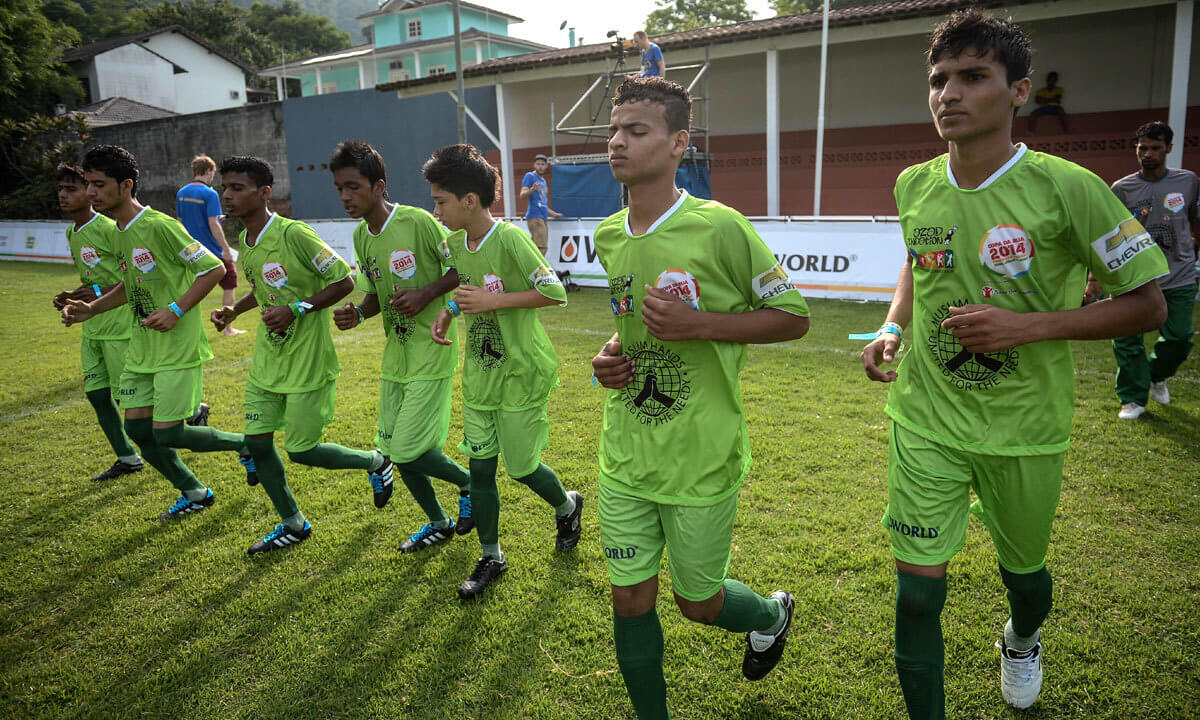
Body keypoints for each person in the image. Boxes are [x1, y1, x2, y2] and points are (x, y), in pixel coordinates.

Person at [859, 10, 1169, 718]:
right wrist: (890, 326)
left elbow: (1147, 304)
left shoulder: (1070, 187)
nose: (949, 94)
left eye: (973, 77)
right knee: (916, 592)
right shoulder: (914, 184)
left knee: (1024, 578)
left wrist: (1027, 326)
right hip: (927, 416)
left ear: (1018, 91)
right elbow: (918, 260)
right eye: (938, 80)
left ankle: (1023, 637)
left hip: (1025, 427)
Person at [590, 77, 810, 720]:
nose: (618, 142)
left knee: (698, 604)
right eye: (614, 130)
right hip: (626, 451)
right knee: (629, 600)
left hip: (700, 454)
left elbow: (792, 316)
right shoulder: (609, 235)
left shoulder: (721, 228)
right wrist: (608, 353)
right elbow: (629, 315)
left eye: (637, 131)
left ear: (678, 143)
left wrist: (700, 325)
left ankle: (770, 614)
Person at [210, 155, 394, 555]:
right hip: (267, 362)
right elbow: (262, 289)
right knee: (258, 445)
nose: (227, 195)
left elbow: (344, 281)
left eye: (237, 188)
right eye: (224, 188)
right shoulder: (247, 240)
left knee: (303, 451)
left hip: (308, 361)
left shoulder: (295, 235)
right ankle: (292, 523)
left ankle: (376, 463)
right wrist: (234, 311)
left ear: (263, 193)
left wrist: (296, 309)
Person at [423, 143, 582, 600]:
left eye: (440, 200)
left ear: (469, 200)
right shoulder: (455, 243)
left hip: (521, 372)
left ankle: (567, 504)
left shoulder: (511, 239)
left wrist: (495, 302)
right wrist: (450, 310)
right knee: (480, 472)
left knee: (522, 467)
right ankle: (491, 554)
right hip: (480, 373)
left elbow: (555, 292)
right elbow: (469, 287)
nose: (436, 209)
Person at [62, 145, 254, 521]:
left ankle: (248, 445)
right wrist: (92, 307)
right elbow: (129, 283)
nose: (90, 193)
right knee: (137, 427)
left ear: (126, 185)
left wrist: (176, 309)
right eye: (88, 184)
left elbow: (213, 269)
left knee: (168, 432)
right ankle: (194, 491)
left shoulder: (158, 225)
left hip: (177, 345)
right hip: (142, 346)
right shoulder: (117, 231)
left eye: (98, 185)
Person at [328, 140, 475, 552]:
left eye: (353, 187)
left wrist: (425, 294)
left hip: (433, 346)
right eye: (340, 187)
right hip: (397, 356)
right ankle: (438, 521)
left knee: (408, 451)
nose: (345, 197)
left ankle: (469, 485)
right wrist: (357, 314)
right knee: (396, 448)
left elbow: (460, 267)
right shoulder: (361, 237)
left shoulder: (418, 222)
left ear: (378, 186)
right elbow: (374, 295)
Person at [1099, 121, 1200, 419]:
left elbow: (1194, 220)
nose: (1148, 154)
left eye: (1155, 148)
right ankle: (1132, 399)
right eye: (1142, 148)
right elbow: (1109, 231)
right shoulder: (1121, 188)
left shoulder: (1188, 181)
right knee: (1127, 338)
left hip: (1179, 273)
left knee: (1180, 337)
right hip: (1135, 276)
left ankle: (1156, 375)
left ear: (1168, 149)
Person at [52, 163, 144, 482]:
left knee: (128, 399)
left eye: (71, 189)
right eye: (61, 189)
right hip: (92, 326)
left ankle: (187, 419)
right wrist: (71, 295)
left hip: (118, 323)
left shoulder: (109, 228)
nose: (64, 195)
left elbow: (130, 278)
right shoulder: (71, 232)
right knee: (96, 395)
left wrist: (89, 292)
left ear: (90, 193)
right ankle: (127, 458)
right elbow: (92, 280)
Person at [177, 155, 243, 336]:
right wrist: (226, 248)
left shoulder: (182, 192)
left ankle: (188, 330)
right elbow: (213, 224)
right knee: (230, 284)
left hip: (190, 251)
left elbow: (180, 222)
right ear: (208, 171)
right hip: (213, 250)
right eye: (213, 172)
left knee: (191, 291)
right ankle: (228, 328)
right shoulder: (210, 193)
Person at [520, 154, 561, 257]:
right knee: (541, 247)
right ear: (534, 165)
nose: (540, 166)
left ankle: (528, 268)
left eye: (542, 164)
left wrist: (553, 213)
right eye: (538, 164)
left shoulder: (543, 181)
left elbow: (542, 203)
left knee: (536, 247)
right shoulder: (530, 176)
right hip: (535, 216)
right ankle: (536, 271)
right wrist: (532, 189)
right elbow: (522, 195)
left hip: (542, 217)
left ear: (546, 166)